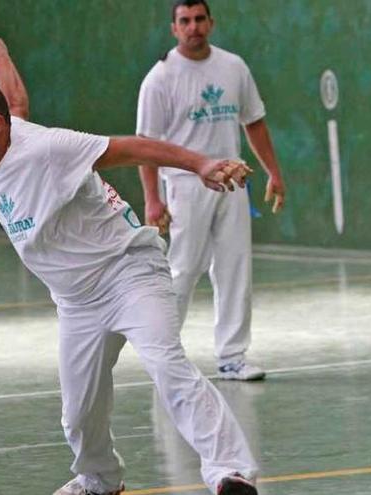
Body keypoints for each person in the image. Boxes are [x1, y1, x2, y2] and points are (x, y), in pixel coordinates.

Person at [0, 35, 259, 495]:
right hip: (76, 301)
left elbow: (135, 147)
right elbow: (14, 101)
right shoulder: (0, 137)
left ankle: (231, 472)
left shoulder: (50, 148)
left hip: (128, 273)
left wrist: (202, 163)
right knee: (79, 412)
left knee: (167, 365)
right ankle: (99, 481)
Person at [136, 0, 286, 381]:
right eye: (185, 21)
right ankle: (164, 356)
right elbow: (145, 145)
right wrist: (153, 199)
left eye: (199, 19)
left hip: (234, 181)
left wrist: (273, 172)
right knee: (183, 270)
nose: (193, 27)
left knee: (235, 269)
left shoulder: (233, 67)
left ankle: (233, 356)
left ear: (211, 23)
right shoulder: (160, 78)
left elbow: (254, 122)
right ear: (174, 29)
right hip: (185, 185)